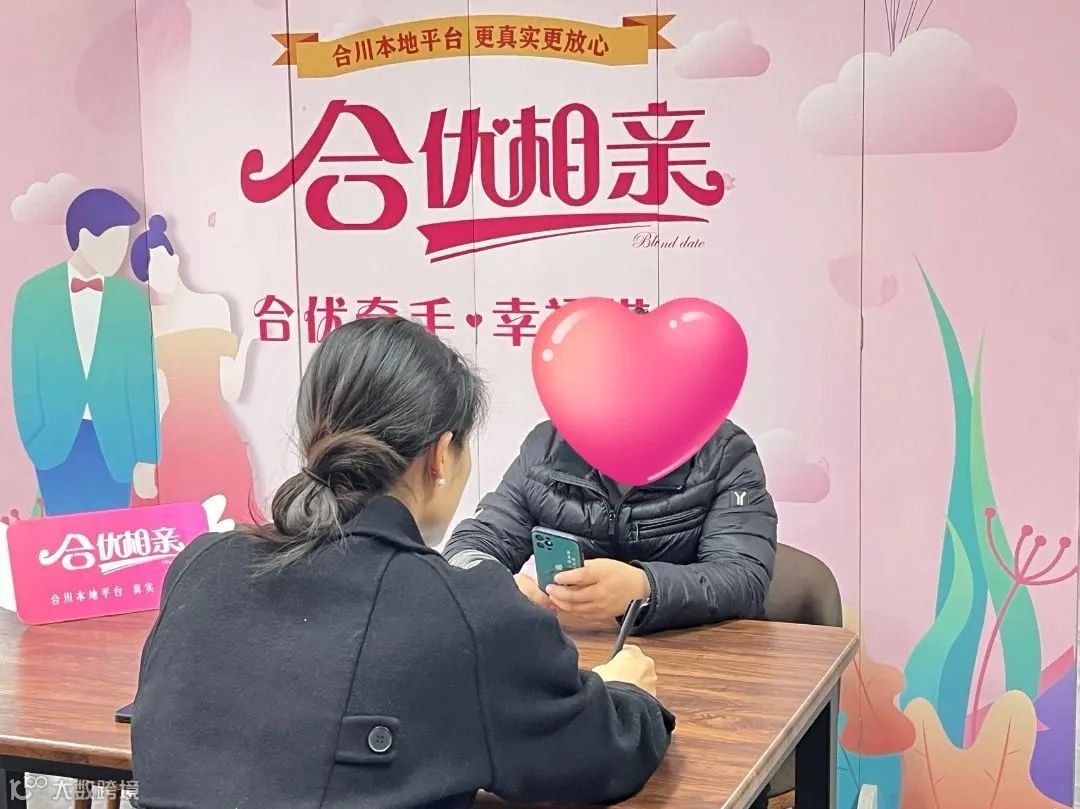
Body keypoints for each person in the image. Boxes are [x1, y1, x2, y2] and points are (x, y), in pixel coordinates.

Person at [132, 317, 674, 809]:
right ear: (440, 456)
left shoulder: (201, 567)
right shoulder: (469, 615)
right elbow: (599, 756)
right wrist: (627, 692)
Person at [444, 418, 778, 634]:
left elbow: (743, 577)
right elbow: (475, 542)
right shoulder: (547, 446)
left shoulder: (724, 451)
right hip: (581, 658)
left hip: (701, 654)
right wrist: (494, 586)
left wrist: (644, 587)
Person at [11, 188, 158, 516]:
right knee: (63, 533)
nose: (122, 254)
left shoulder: (131, 301)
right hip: (55, 442)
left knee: (112, 533)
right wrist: (35, 438)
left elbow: (142, 384)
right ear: (86, 237)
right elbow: (25, 377)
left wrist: (147, 456)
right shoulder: (34, 295)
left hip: (117, 443)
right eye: (115, 242)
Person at [128, 214, 260, 523]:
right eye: (149, 273)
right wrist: (146, 459)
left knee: (233, 524)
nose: (157, 276)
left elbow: (230, 390)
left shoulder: (215, 306)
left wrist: (246, 344)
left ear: (174, 258)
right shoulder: (149, 320)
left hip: (217, 435)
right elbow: (156, 396)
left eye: (159, 263)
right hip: (172, 441)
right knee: (176, 529)